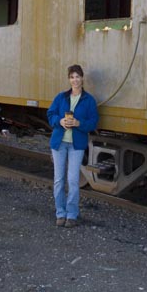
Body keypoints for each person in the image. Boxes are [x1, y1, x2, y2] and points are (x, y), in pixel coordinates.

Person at [47, 64, 98, 228]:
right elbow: (50, 115)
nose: (75, 80)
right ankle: (60, 213)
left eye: (77, 76)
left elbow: (93, 122)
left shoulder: (89, 100)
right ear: (69, 79)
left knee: (73, 180)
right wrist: (59, 121)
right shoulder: (61, 97)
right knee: (59, 180)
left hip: (76, 145)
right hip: (59, 143)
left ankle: (72, 214)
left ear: (82, 78)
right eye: (72, 77)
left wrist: (78, 123)